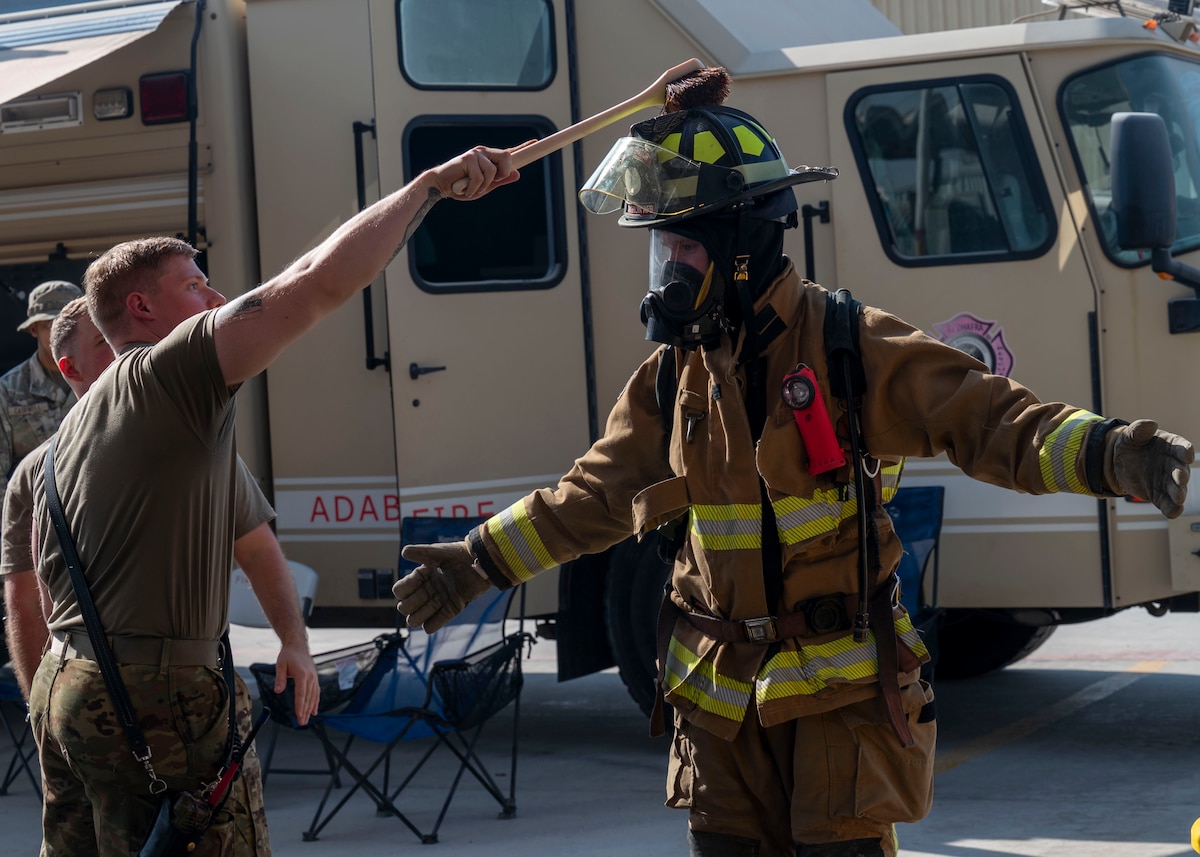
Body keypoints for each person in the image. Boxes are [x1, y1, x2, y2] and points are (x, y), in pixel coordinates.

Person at [393, 104, 1195, 857]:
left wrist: (1112, 452)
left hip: (836, 714)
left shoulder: (847, 345)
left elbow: (987, 419)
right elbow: (594, 496)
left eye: (682, 249)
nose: (666, 271)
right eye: (659, 249)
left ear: (741, 246)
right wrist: (480, 560)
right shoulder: (673, 377)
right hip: (718, 717)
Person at [24, 145, 517, 856]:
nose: (216, 298)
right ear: (141, 306)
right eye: (195, 285)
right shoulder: (169, 374)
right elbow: (316, 283)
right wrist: (428, 187)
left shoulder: (82, 425)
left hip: (67, 686)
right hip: (156, 694)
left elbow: (245, 543)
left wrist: (293, 639)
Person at [0, 280, 83, 496]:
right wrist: (13, 526)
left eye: (70, 324)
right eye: (51, 324)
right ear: (34, 329)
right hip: (34, 517)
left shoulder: (101, 377)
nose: (62, 332)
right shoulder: (8, 390)